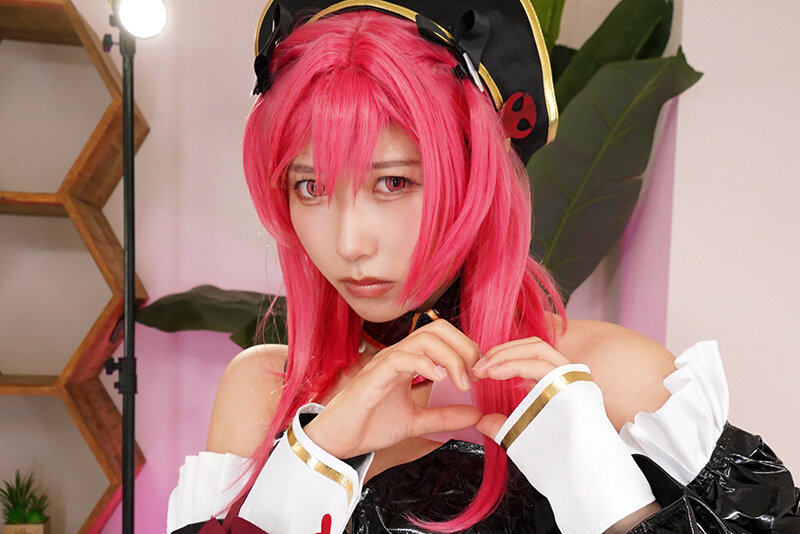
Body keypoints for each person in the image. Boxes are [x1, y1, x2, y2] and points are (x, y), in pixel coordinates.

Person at [167, 1, 800, 533]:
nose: (349, 242)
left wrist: (613, 501)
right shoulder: (263, 389)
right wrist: (315, 456)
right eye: (310, 188)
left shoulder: (617, 379)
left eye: (393, 182)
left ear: (477, 180)